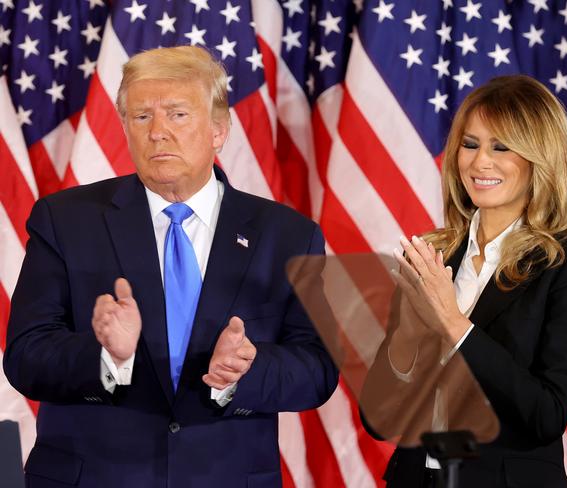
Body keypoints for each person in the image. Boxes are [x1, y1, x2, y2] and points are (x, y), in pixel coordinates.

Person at [4, 45, 338, 488]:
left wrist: (245, 370)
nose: (158, 132)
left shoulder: (288, 236)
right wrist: (106, 357)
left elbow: (318, 368)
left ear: (219, 130)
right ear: (124, 127)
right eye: (142, 117)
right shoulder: (65, 220)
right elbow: (26, 357)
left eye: (177, 115)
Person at [362, 75, 567, 487]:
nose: (480, 162)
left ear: (540, 157)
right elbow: (378, 419)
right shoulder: (430, 255)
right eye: (470, 143)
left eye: (501, 146)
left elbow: (545, 414)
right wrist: (408, 333)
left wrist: (454, 324)